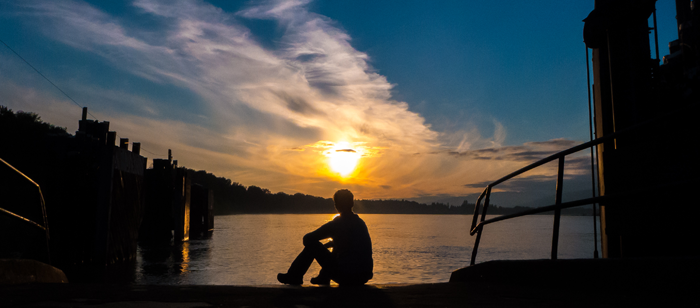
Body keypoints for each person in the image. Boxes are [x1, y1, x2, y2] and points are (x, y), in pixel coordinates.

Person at [277, 189, 373, 285]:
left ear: (336, 205)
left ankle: (294, 276)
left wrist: (321, 248)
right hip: (363, 276)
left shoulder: (337, 223)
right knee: (336, 246)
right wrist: (330, 245)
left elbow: (308, 238)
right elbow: (350, 245)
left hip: (346, 276)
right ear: (352, 203)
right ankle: (323, 277)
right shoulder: (360, 223)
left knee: (313, 245)